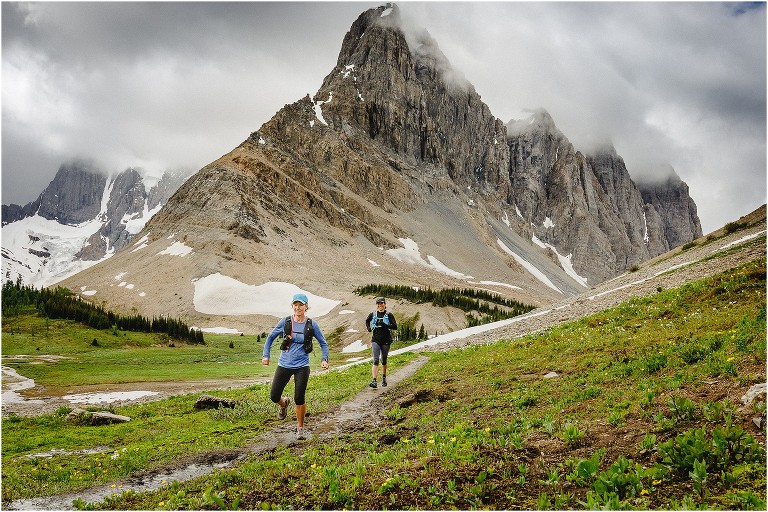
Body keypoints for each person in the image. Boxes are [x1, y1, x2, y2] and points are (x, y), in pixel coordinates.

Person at [262, 293, 329, 440]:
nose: (298, 307)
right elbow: (271, 337)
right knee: (274, 396)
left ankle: (300, 428)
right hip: (284, 364)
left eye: (301, 305)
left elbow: (323, 343)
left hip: (302, 366)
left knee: (299, 397)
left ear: (306, 307)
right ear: (292, 306)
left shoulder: (312, 324)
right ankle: (284, 403)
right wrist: (265, 355)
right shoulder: (285, 322)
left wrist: (324, 359)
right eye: (295, 304)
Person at [365, 296, 397, 388]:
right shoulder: (373, 314)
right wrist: (368, 328)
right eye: (378, 304)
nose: (380, 305)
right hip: (376, 339)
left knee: (384, 360)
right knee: (375, 360)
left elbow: (395, 326)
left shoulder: (389, 315)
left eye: (381, 303)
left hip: (386, 340)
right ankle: (374, 380)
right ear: (377, 305)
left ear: (385, 304)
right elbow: (367, 321)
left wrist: (386, 325)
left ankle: (384, 377)